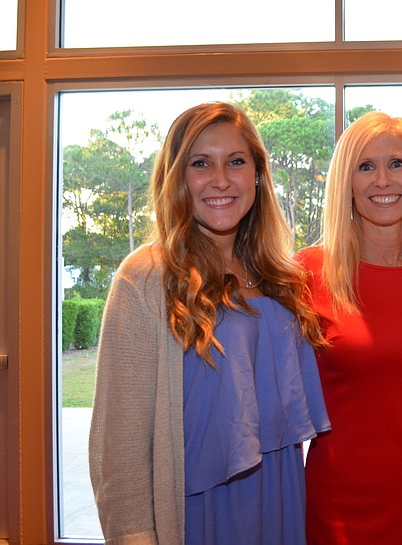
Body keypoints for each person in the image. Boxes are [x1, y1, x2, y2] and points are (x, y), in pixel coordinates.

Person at [88, 102, 330, 545]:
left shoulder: (279, 276)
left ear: (256, 175)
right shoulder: (146, 277)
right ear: (178, 177)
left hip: (279, 499)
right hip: (198, 514)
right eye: (201, 164)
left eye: (236, 162)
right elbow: (118, 447)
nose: (220, 180)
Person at [296, 111, 402, 545]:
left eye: (397, 164)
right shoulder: (307, 272)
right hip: (337, 506)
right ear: (347, 183)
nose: (383, 180)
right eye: (366, 166)